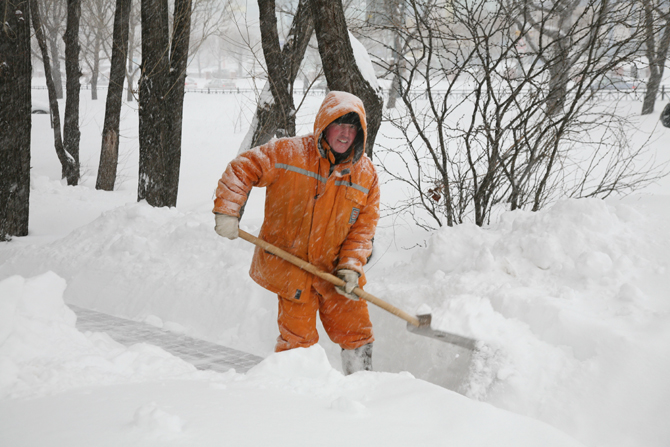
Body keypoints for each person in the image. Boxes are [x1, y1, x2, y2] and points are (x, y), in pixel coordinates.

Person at [213, 91, 380, 375]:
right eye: (339, 124)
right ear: (325, 124)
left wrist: (351, 267)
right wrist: (227, 211)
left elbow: (363, 230)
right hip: (292, 267)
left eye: (353, 127)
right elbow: (242, 168)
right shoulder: (288, 153)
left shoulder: (366, 175)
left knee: (356, 331)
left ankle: (361, 388)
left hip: (334, 271)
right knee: (298, 342)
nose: (345, 133)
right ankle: (297, 399)